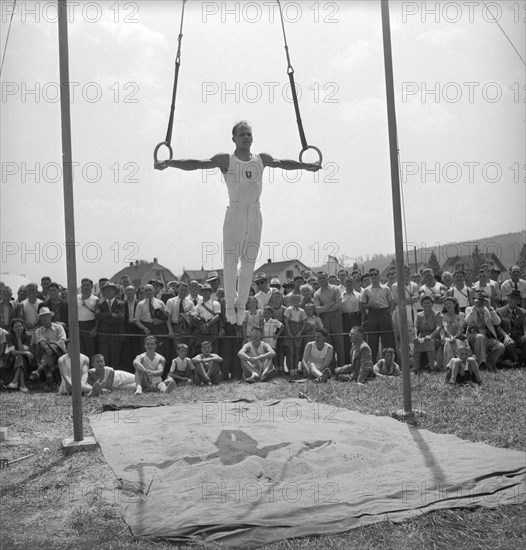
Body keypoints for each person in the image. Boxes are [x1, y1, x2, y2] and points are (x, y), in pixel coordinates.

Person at [156, 121, 320, 326]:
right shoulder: (226, 159)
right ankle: (230, 305)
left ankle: (241, 304)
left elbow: (284, 163)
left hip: (255, 211)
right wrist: (170, 162)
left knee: (249, 260)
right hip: (236, 211)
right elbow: (197, 163)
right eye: (242, 134)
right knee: (232, 260)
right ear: (233, 138)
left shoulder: (262, 159)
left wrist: (306, 166)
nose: (246, 137)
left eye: (249, 134)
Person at [360, 268, 396, 363]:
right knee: (372, 341)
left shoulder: (386, 288)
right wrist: (369, 305)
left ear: (379, 275)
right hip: (372, 314)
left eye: (375, 274)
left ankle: (391, 363)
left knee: (388, 340)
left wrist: (390, 313)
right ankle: (372, 365)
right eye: (371, 275)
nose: (374, 276)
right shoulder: (366, 290)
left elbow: (392, 303)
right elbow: (362, 305)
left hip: (384, 313)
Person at [464, 290, 504, 371]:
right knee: (480, 337)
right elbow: (466, 321)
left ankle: (488, 365)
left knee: (500, 347)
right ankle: (480, 364)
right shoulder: (469, 309)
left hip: (487, 337)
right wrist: (474, 309)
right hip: (473, 336)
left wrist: (490, 308)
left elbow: (498, 322)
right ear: (474, 300)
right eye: (478, 300)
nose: (480, 303)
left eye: (483, 300)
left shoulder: (489, 310)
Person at [313, 271, 344, 368]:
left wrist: (324, 308)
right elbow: (317, 309)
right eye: (320, 278)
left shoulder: (335, 289)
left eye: (323, 277)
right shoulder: (316, 294)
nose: (322, 280)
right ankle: (331, 367)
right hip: (324, 318)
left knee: (339, 341)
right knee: (328, 341)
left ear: (327, 278)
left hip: (336, 316)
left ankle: (341, 366)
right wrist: (331, 304)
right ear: (317, 280)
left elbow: (338, 305)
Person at [31, 307, 67, 389]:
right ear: (40, 319)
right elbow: (41, 342)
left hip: (59, 352)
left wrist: (51, 347)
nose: (44, 319)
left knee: (47, 355)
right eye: (42, 317)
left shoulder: (59, 327)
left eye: (46, 316)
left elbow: (62, 340)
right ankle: (50, 381)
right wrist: (47, 348)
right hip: (45, 351)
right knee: (47, 355)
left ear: (51, 317)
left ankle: (39, 371)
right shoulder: (38, 330)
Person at [95, 282, 124, 371]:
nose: (108, 292)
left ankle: (116, 378)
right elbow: (97, 316)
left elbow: (121, 318)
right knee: (104, 357)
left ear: (115, 291)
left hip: (116, 334)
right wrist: (110, 314)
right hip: (103, 334)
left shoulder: (120, 303)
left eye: (110, 289)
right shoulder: (100, 304)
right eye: (106, 290)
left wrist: (105, 318)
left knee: (116, 357)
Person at [496, 289, 526, 366]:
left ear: (519, 301)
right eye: (512, 298)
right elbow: (497, 327)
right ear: (508, 299)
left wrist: (525, 335)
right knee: (510, 345)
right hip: (506, 337)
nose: (513, 301)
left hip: (519, 337)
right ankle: (517, 362)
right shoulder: (499, 311)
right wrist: (505, 336)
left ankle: (522, 362)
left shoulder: (523, 312)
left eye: (516, 299)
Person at [4, 318, 33, 393]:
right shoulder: (9, 335)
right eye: (16, 327)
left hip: (25, 359)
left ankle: (15, 382)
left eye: (20, 326)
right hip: (11, 358)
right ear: (12, 329)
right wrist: (26, 353)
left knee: (19, 357)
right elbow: (13, 352)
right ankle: (22, 385)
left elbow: (23, 349)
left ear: (23, 327)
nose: (19, 328)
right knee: (18, 357)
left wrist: (19, 339)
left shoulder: (28, 335)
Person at [413, 295, 442, 372]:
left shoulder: (437, 314)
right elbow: (415, 326)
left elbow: (438, 327)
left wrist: (430, 336)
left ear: (432, 304)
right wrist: (416, 336)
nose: (426, 305)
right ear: (422, 304)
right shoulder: (419, 315)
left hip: (434, 337)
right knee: (416, 343)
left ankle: (432, 368)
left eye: (428, 303)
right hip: (422, 336)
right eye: (424, 303)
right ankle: (416, 368)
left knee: (429, 343)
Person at [284, 293, 306, 378]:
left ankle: (296, 369)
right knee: (290, 351)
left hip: (298, 330)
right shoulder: (288, 310)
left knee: (297, 351)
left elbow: (304, 323)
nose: (296, 301)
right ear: (291, 300)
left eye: (297, 299)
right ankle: (291, 369)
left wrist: (300, 332)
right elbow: (286, 322)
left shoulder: (302, 311)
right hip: (290, 329)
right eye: (294, 299)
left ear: (300, 301)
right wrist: (289, 332)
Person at [440, 296, 466, 368]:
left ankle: (461, 366)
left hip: (459, 336)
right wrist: (451, 337)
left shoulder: (460, 315)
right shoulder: (443, 316)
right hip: (447, 336)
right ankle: (448, 366)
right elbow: (445, 327)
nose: (448, 305)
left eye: (450, 303)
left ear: (454, 304)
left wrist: (455, 337)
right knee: (448, 343)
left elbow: (460, 328)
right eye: (446, 304)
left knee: (458, 342)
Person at [77, 278, 99, 359]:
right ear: (81, 286)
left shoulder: (95, 299)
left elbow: (98, 316)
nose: (86, 287)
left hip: (90, 325)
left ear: (91, 286)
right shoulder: (76, 298)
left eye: (88, 285)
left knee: (90, 350)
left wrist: (95, 328)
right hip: (78, 325)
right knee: (80, 350)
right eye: (84, 285)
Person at [262, 305, 284, 372]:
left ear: (271, 314)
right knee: (265, 356)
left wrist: (277, 335)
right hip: (264, 341)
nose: (266, 314)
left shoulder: (274, 321)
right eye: (265, 313)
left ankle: (276, 369)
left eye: (268, 313)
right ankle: (267, 370)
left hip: (272, 341)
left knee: (273, 355)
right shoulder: (262, 322)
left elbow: (282, 326)